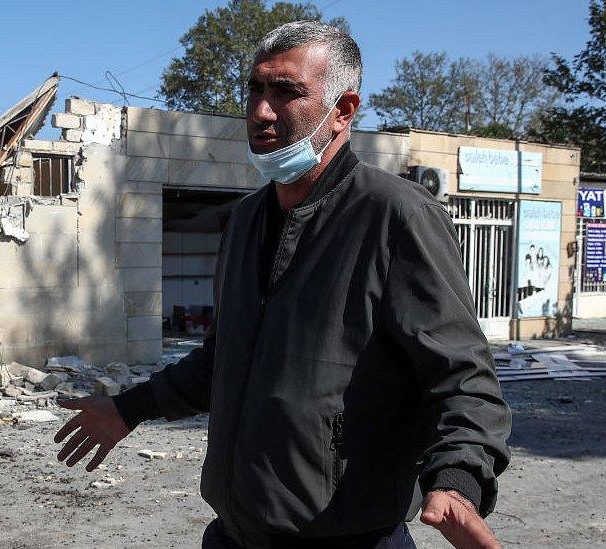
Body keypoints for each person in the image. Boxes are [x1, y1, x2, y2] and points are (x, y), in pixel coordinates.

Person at [54, 20, 511, 549]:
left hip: (346, 539)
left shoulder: (396, 216)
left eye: (286, 91)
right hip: (236, 534)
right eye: (255, 88)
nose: (261, 111)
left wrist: (458, 478)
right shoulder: (247, 220)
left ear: (342, 110)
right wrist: (129, 408)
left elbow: (463, 378)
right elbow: (222, 359)